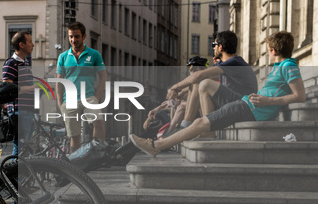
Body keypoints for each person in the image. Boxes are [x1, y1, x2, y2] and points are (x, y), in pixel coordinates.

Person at [130, 31, 306, 158]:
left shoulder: (289, 66)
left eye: (268, 49)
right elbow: (201, 79)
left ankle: (156, 145)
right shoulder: (279, 67)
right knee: (201, 117)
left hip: (251, 109)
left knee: (200, 122)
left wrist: (268, 100)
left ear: (273, 50)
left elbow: (300, 96)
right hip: (247, 104)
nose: (268, 52)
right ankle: (159, 143)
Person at [167, 31, 258, 129]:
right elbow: (201, 78)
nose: (213, 48)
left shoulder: (235, 62)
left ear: (220, 47)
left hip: (243, 105)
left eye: (214, 45)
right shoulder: (223, 65)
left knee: (204, 83)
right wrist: (182, 92)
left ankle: (189, 126)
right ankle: (186, 124)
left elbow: (199, 76)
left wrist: (175, 87)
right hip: (232, 103)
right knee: (197, 82)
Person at [56, 22, 107, 152]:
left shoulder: (94, 54)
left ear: (84, 36)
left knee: (99, 123)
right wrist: (60, 104)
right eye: (71, 36)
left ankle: (97, 153)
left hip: (89, 97)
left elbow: (103, 77)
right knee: (74, 137)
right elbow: (59, 82)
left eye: (77, 36)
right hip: (69, 100)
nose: (73, 40)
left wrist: (97, 97)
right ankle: (76, 165)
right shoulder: (63, 57)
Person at [2, 31, 35, 155]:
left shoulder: (24, 63)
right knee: (20, 147)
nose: (33, 45)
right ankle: (15, 174)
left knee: (24, 147)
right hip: (19, 111)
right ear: (21, 44)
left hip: (27, 111)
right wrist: (32, 88)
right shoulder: (11, 63)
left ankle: (21, 173)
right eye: (30, 42)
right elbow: (8, 88)